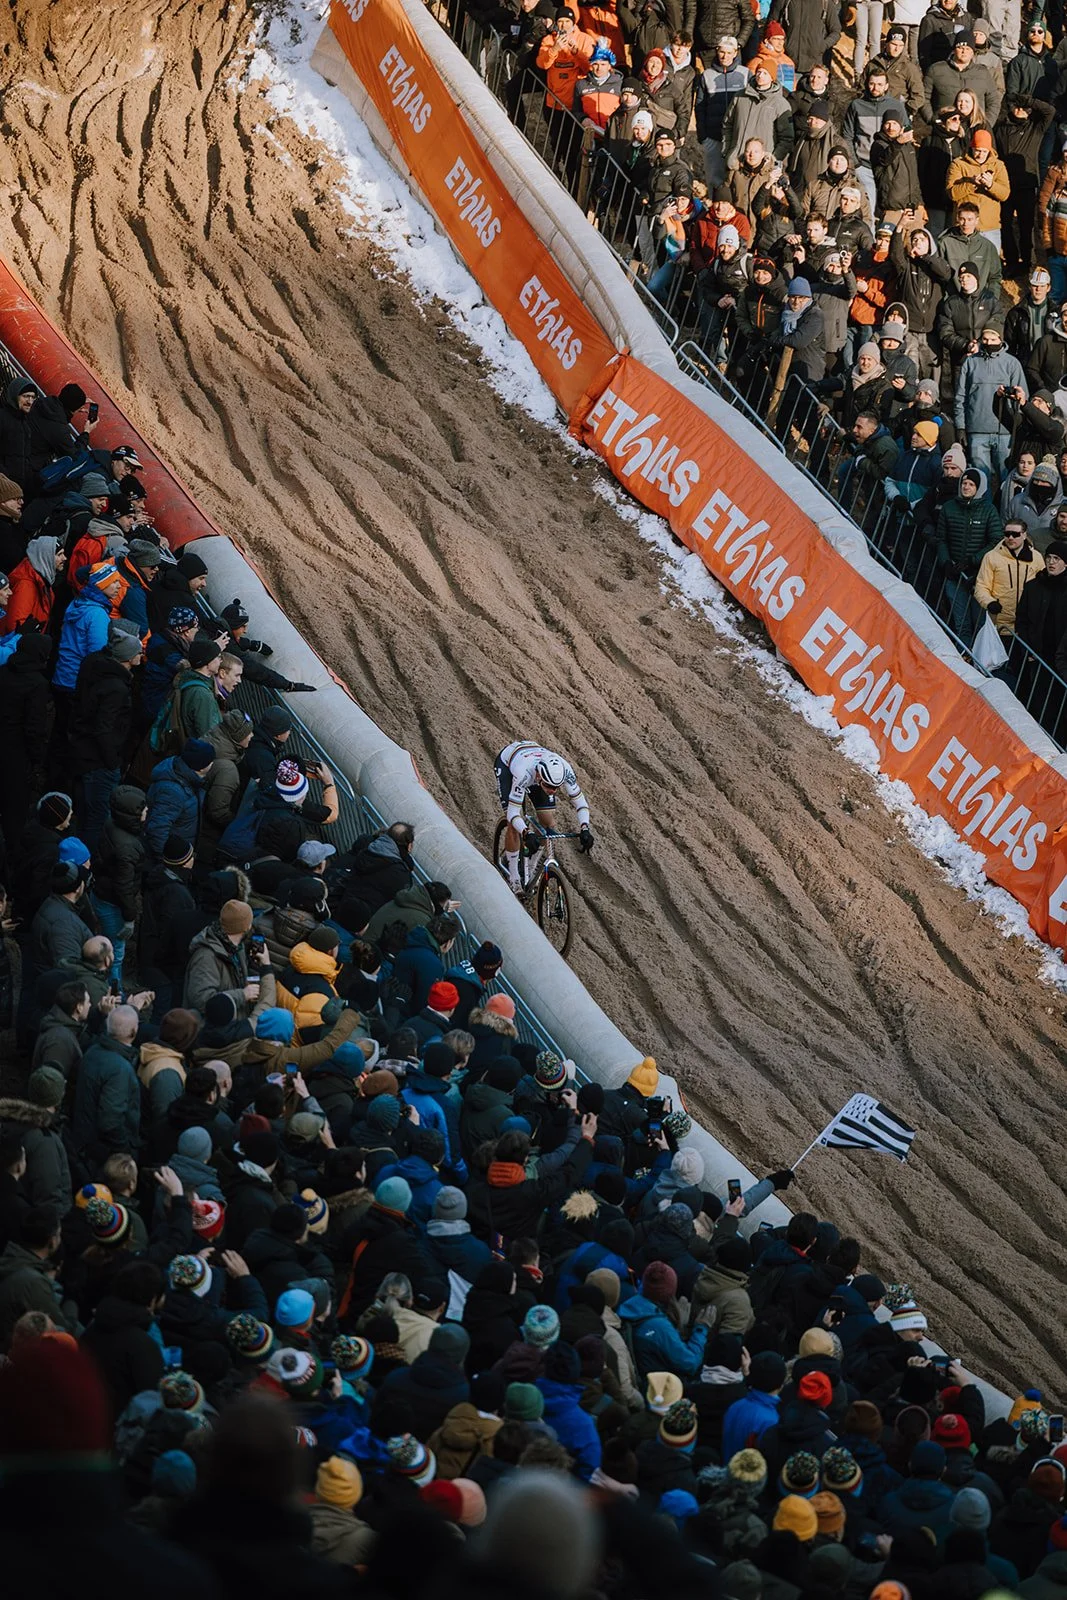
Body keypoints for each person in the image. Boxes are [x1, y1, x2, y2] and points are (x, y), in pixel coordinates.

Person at [495, 741, 594, 892]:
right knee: (513, 825)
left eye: (556, 787)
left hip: (535, 762)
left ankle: (531, 865)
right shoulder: (524, 773)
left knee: (548, 824)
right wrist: (526, 832)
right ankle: (514, 878)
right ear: (540, 776)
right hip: (509, 764)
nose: (553, 791)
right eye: (549, 786)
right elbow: (513, 813)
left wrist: (585, 827)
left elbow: (580, 803)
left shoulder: (565, 770)